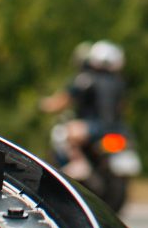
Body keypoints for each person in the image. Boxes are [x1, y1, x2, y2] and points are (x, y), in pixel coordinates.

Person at [37, 39, 126, 182]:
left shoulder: (86, 79)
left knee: (63, 133)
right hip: (116, 128)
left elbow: (64, 99)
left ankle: (78, 162)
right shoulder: (119, 82)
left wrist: (45, 105)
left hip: (94, 126)